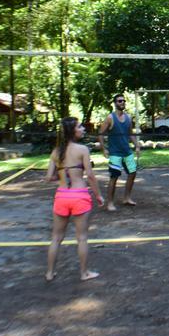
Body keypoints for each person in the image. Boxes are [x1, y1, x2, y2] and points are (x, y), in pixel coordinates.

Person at [45, 117, 104, 282]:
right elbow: (91, 176)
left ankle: (50, 273)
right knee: (82, 238)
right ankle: (84, 273)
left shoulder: (56, 152)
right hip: (79, 196)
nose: (83, 128)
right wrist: (98, 195)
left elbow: (49, 177)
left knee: (56, 238)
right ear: (73, 131)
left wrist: (63, 179)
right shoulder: (83, 149)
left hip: (61, 196)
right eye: (80, 126)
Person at [98, 93, 141, 211]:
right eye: (119, 101)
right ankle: (110, 203)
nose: (122, 103)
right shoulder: (110, 118)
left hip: (127, 152)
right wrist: (104, 148)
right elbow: (100, 134)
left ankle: (126, 198)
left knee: (133, 173)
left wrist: (137, 145)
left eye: (123, 101)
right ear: (115, 103)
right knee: (114, 177)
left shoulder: (128, 118)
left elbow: (130, 134)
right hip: (115, 153)